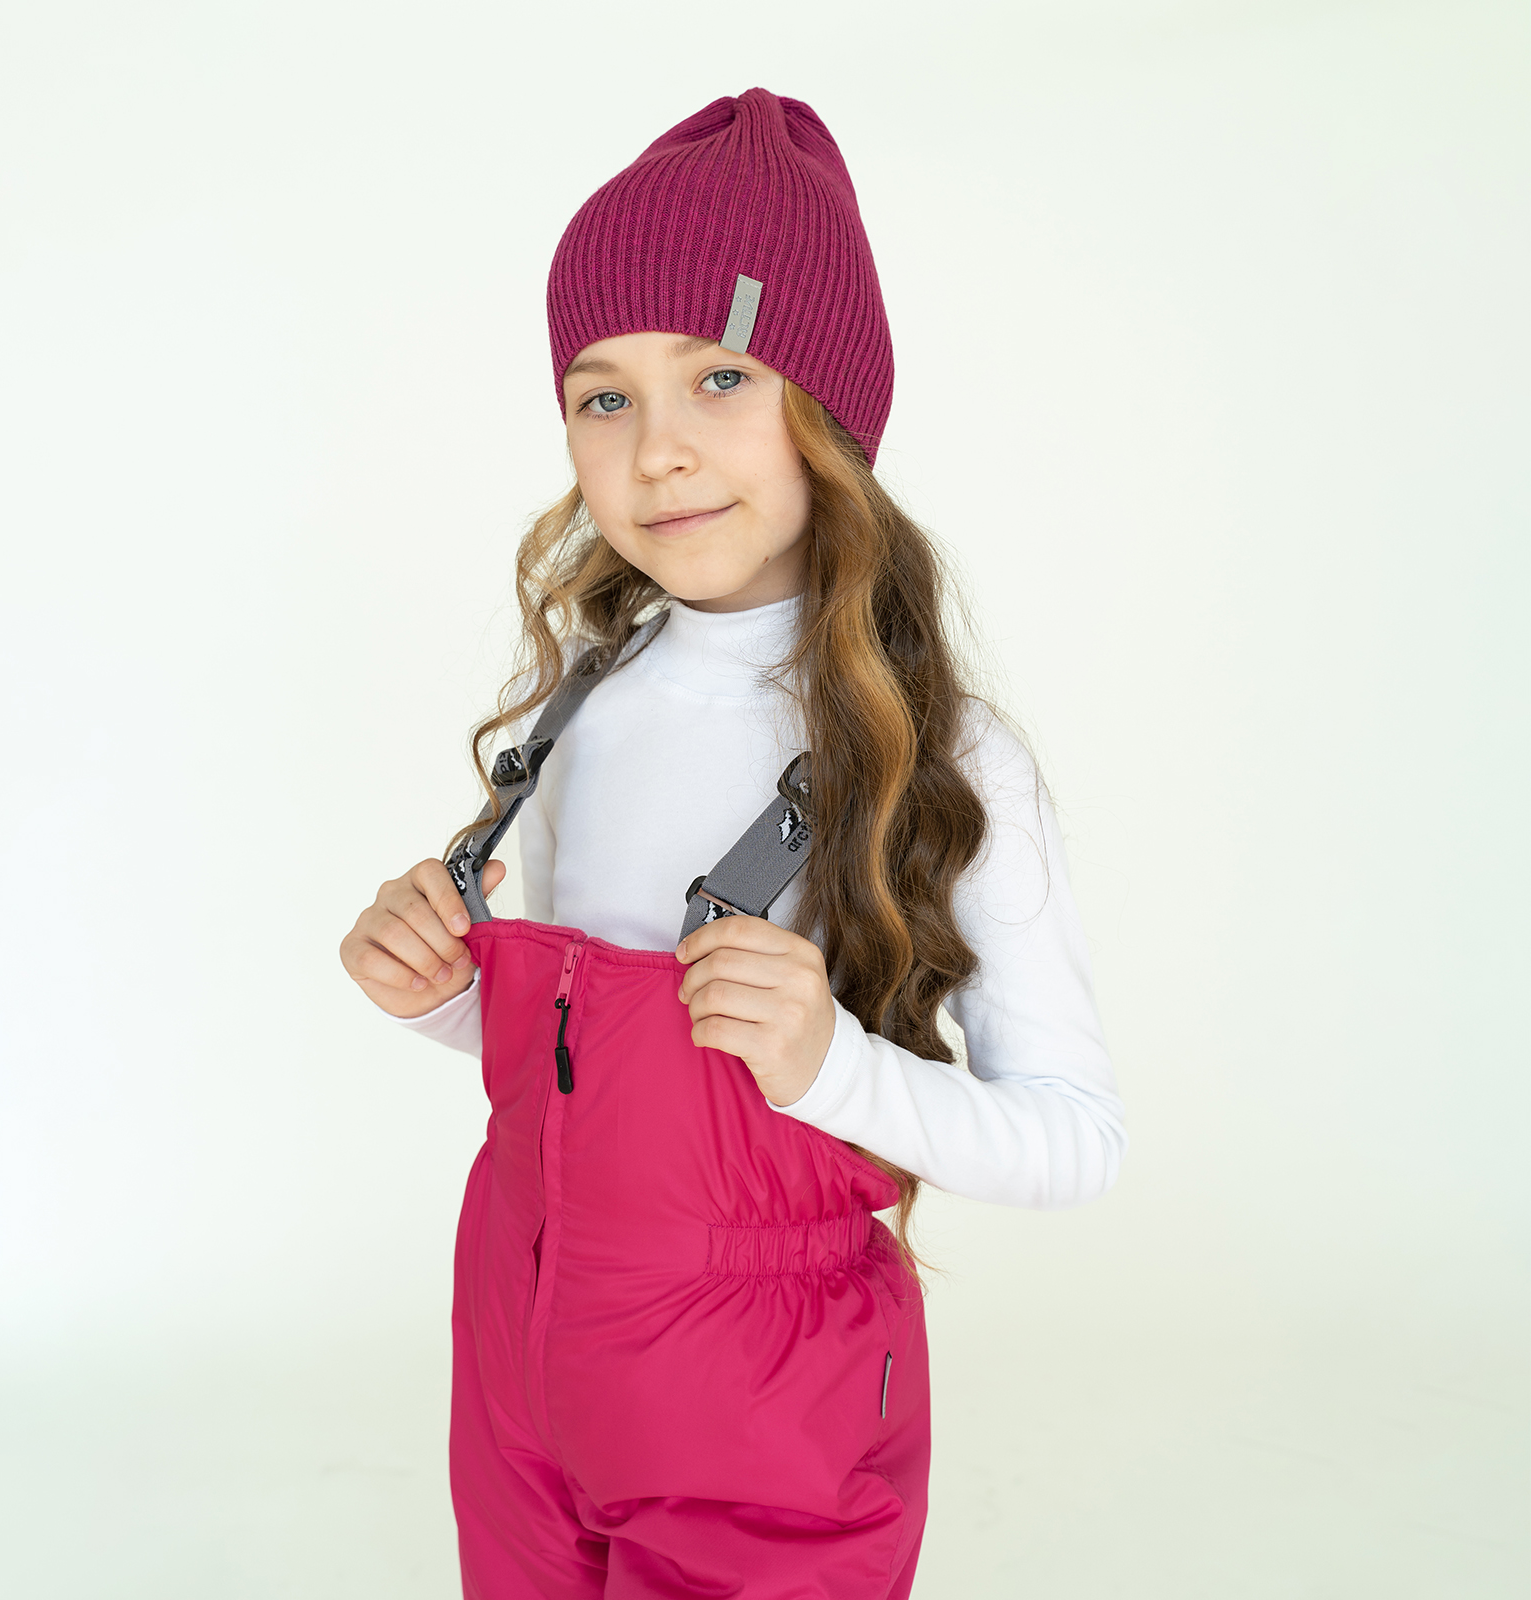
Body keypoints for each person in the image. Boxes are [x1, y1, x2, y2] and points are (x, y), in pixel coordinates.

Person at [339, 87, 1126, 1600]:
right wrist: (443, 994)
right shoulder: (581, 704)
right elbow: (596, 1073)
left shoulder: (945, 753)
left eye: (720, 376)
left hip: (762, 1402)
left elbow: (1075, 1138)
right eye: (604, 397)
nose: (658, 452)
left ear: (829, 405)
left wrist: (834, 1065)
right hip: (518, 1347)